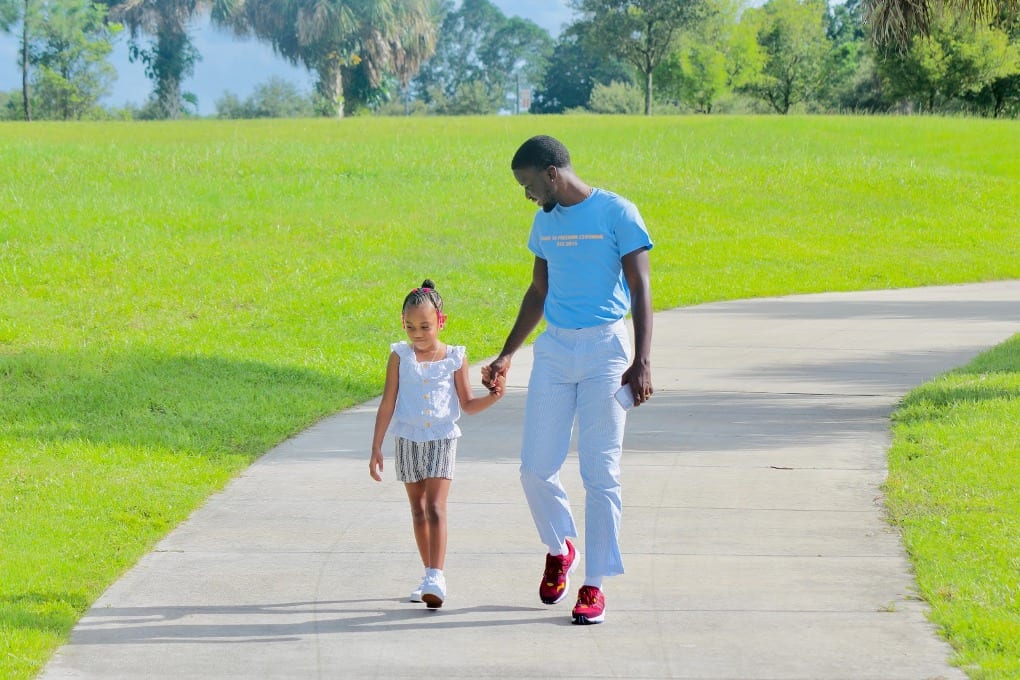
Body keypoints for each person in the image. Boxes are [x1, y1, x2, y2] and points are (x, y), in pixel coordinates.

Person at [483, 135, 653, 625]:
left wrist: (642, 361)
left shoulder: (618, 213)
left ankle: (594, 584)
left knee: (600, 474)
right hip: (555, 351)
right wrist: (507, 353)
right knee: (534, 467)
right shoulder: (544, 222)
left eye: (529, 184)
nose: (528, 195)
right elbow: (539, 291)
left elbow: (641, 289)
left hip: (606, 350)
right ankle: (561, 546)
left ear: (552, 173)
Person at [370, 279, 505, 609]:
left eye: (425, 326)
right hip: (408, 439)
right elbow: (388, 402)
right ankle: (427, 574)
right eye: (411, 326)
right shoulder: (399, 357)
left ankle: (437, 575)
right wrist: (376, 447)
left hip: (442, 439)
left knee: (434, 506)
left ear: (440, 322)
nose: (417, 333)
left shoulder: (455, 357)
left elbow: (468, 404)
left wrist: (494, 396)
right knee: (417, 510)